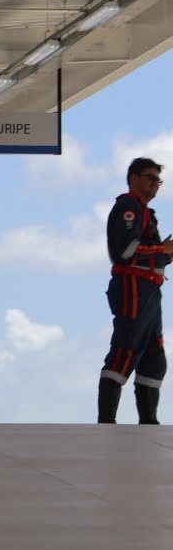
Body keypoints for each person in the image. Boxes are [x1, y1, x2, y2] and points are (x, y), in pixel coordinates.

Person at [100, 156, 173, 423]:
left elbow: (147, 251)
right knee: (125, 349)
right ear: (134, 178)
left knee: (154, 356)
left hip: (151, 290)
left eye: (159, 180)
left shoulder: (145, 212)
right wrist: (161, 250)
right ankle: (106, 421)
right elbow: (126, 251)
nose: (156, 184)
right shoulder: (128, 207)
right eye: (151, 178)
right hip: (133, 286)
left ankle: (149, 422)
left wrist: (166, 254)